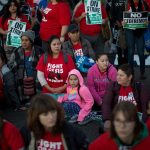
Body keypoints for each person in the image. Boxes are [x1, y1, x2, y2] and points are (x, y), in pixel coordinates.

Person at [21, 94, 89, 149]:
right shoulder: (28, 131)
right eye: (45, 114)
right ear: (36, 116)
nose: (51, 117)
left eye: (53, 111)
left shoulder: (71, 131)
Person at [102, 64, 149, 131]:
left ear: (130, 77)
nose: (118, 77)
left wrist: (144, 123)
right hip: (118, 119)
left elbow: (146, 106)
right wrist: (107, 119)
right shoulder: (112, 85)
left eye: (121, 75)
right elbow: (106, 103)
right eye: (117, 74)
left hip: (135, 119)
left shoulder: (140, 87)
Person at [8, 30, 43, 102]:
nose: (24, 42)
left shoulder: (38, 50)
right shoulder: (17, 51)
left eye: (26, 40)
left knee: (37, 99)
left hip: (36, 79)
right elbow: (10, 64)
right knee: (25, 97)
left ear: (31, 41)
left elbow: (44, 64)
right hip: (22, 79)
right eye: (22, 40)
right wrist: (17, 70)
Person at [36, 35, 75, 100]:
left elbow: (73, 75)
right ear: (50, 46)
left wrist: (63, 88)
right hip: (47, 92)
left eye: (58, 44)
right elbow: (40, 75)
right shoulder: (44, 57)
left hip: (65, 92)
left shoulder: (67, 57)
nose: (57, 46)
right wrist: (49, 89)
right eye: (54, 44)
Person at [124, 0, 149, 79]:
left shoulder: (143, 3)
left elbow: (148, 15)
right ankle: (130, 73)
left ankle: (142, 72)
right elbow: (122, 15)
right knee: (130, 52)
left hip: (140, 31)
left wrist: (148, 21)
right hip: (129, 30)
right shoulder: (126, 3)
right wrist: (122, 22)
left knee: (141, 53)